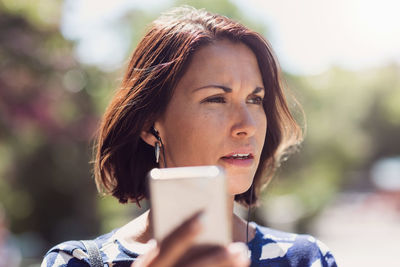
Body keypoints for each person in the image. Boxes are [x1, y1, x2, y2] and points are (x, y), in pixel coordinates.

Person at [41, 6, 337, 267]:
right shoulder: (75, 262)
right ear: (149, 125)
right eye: (216, 99)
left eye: (255, 100)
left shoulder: (307, 259)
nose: (247, 125)